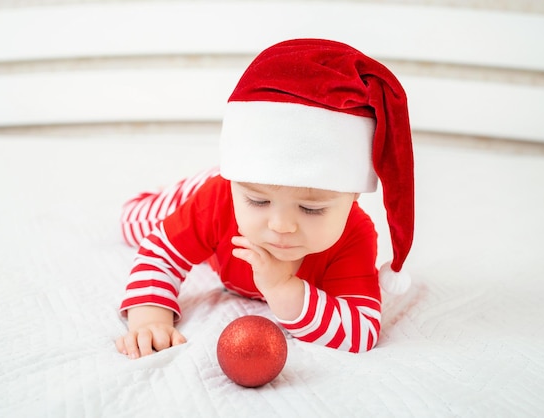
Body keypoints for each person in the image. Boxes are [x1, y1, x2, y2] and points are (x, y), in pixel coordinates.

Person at [115, 38, 415, 359]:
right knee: (132, 223)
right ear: (236, 183)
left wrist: (282, 287)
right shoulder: (218, 198)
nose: (281, 225)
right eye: (259, 201)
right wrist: (149, 317)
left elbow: (362, 329)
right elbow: (159, 252)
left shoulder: (354, 234)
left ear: (353, 194)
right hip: (202, 189)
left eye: (310, 208)